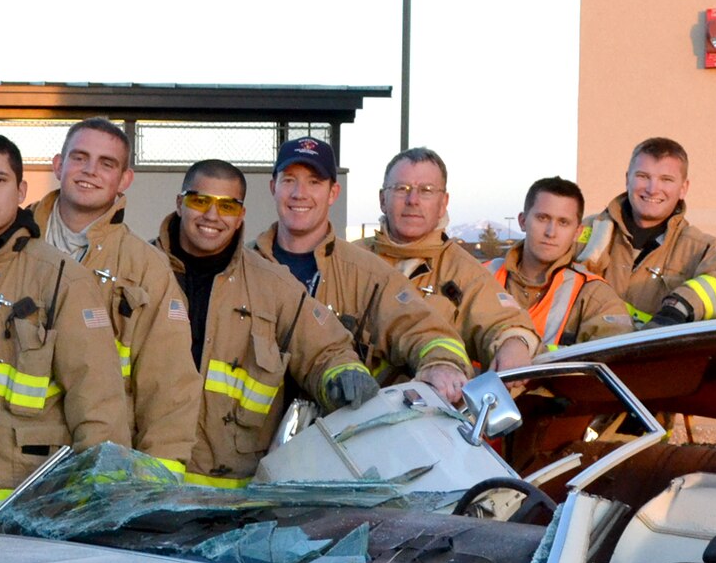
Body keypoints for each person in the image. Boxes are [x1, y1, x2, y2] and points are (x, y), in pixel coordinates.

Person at [0, 131, 133, 523]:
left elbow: (99, 408)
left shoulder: (62, 278)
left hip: (29, 510)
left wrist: (95, 511)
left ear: (21, 190)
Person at [154, 159, 374, 485]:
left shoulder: (272, 285)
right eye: (200, 201)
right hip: (141, 484)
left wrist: (343, 373)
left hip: (234, 500)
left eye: (227, 206)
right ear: (179, 203)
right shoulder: (139, 273)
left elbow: (324, 348)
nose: (212, 216)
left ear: (241, 214)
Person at [253, 137, 472, 403]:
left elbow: (419, 326)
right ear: (273, 186)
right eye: (289, 180)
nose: (300, 193)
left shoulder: (369, 273)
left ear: (333, 192)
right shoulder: (242, 267)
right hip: (249, 440)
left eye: (314, 182)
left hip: (337, 434)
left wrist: (442, 363)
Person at [31, 118, 197, 468]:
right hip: (11, 463)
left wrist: (155, 483)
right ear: (58, 165)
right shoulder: (12, 246)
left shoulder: (146, 267)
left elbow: (168, 386)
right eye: (80, 158)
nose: (90, 171)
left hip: (102, 464)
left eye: (106, 164)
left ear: (125, 180)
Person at [362, 146, 538, 371]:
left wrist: (514, 343)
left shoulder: (464, 272)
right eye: (401, 188)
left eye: (426, 190)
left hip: (427, 403)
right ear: (382, 199)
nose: (412, 199)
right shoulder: (349, 260)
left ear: (443, 202)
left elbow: (502, 321)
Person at [576, 136, 716, 324]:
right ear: (627, 179)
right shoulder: (585, 233)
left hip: (655, 357)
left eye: (666, 180)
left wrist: (681, 305)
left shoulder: (697, 248)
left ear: (683, 189)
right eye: (643, 176)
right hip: (586, 356)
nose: (653, 189)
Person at [487, 177, 636, 352]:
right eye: (542, 218)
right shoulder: (480, 277)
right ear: (522, 221)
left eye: (563, 222)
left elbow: (613, 361)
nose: (551, 232)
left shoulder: (594, 297)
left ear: (577, 232)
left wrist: (528, 350)